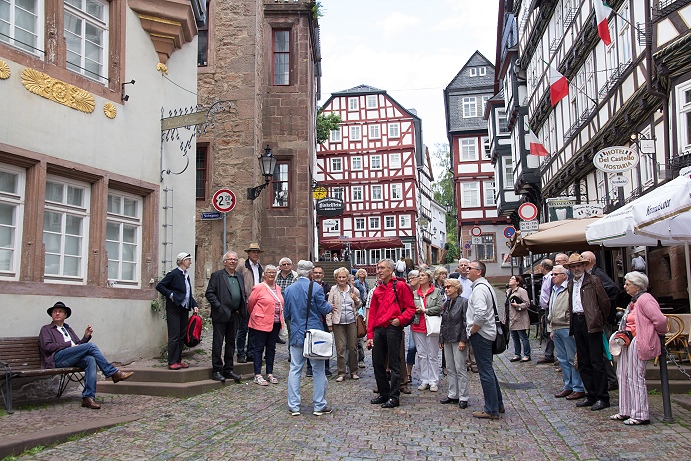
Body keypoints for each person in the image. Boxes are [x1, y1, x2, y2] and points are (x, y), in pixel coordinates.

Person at [39, 302, 134, 409]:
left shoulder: (67, 328)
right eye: (54, 312)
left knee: (90, 359)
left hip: (71, 357)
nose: (57, 313)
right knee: (91, 346)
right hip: (57, 359)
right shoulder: (46, 329)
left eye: (60, 312)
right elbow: (47, 347)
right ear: (51, 314)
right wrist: (68, 344)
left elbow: (78, 346)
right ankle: (112, 372)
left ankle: (88, 398)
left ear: (65, 315)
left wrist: (86, 337)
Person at [609, 272, 667, 425]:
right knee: (623, 374)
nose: (625, 286)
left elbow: (660, 320)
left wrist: (658, 334)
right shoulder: (633, 301)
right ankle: (625, 410)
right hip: (628, 341)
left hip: (638, 340)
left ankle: (640, 414)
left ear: (637, 285)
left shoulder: (646, 300)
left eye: (628, 284)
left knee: (635, 376)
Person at [283, 260, 333, 416]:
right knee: (318, 370)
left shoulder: (289, 289)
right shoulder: (316, 288)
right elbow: (324, 308)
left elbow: (287, 314)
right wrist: (331, 306)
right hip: (314, 334)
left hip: (297, 333)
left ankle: (294, 406)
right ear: (310, 272)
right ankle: (319, 405)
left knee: (295, 369)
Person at [565, 253, 611, 411]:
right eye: (573, 266)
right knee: (583, 361)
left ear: (584, 266)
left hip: (591, 322)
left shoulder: (594, 280)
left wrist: (599, 319)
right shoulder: (571, 283)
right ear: (570, 269)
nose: (576, 268)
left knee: (596, 361)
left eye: (579, 265)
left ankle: (602, 397)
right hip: (577, 322)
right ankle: (590, 394)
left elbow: (605, 303)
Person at [367, 259, 416, 408]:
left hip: (393, 328)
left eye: (382, 268)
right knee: (377, 362)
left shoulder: (400, 286)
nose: (379, 271)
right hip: (379, 329)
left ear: (390, 270)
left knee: (394, 363)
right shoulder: (377, 290)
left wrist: (400, 320)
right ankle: (384, 392)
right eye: (378, 268)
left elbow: (411, 308)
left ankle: (394, 396)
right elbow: (373, 314)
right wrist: (370, 336)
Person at [466, 260, 504, 419]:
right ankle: (498, 404)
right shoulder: (485, 286)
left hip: (481, 334)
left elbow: (480, 313)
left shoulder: (480, 289)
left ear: (479, 271)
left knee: (485, 372)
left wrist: (473, 330)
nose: (467, 270)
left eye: (470, 268)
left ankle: (491, 409)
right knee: (488, 370)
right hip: (488, 332)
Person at [581, 250, 621, 390]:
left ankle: (611, 379)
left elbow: (613, 289)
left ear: (589, 262)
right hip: (593, 319)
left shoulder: (597, 274)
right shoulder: (588, 275)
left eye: (583, 260)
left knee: (604, 350)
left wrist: (602, 312)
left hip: (599, 320)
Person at [204, 251, 246, 383]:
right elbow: (209, 293)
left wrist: (241, 308)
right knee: (218, 343)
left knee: (231, 342)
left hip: (235, 314)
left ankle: (228, 369)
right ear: (224, 262)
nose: (233, 261)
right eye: (230, 259)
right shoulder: (217, 275)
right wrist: (219, 307)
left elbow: (241, 293)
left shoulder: (239, 276)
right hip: (221, 314)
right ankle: (217, 370)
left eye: (235, 259)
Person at [547, 265, 585, 401]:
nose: (553, 277)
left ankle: (578, 387)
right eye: (552, 275)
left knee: (571, 359)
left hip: (567, 327)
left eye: (556, 274)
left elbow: (573, 307)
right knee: (562, 359)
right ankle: (568, 385)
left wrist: (572, 327)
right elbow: (551, 308)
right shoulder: (554, 289)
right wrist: (550, 327)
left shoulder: (569, 288)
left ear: (564, 275)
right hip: (556, 326)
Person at [156, 252, 199, 370]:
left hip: (184, 307)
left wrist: (194, 304)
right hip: (174, 308)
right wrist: (171, 295)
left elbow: (188, 293)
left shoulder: (186, 275)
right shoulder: (174, 274)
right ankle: (172, 361)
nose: (190, 262)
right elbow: (160, 286)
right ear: (182, 261)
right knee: (174, 335)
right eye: (188, 260)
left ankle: (178, 360)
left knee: (181, 335)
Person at [247, 264, 285, 385]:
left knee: (271, 348)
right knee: (258, 348)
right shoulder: (258, 287)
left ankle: (269, 372)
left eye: (274, 272)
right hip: (261, 322)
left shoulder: (278, 288)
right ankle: (257, 374)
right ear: (264, 274)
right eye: (269, 272)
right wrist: (258, 315)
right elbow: (251, 304)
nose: (272, 274)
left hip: (275, 323)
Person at [326, 267, 362, 382]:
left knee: (353, 348)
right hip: (338, 322)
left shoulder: (353, 290)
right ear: (336, 278)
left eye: (344, 277)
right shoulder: (333, 290)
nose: (342, 279)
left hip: (351, 321)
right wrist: (329, 323)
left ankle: (353, 371)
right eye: (339, 277)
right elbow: (329, 306)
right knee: (340, 348)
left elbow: (360, 304)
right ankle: (341, 372)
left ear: (347, 278)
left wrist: (355, 299)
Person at [439, 278, 470, 408]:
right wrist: (441, 338)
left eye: (449, 287)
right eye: (445, 287)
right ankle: (453, 394)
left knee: (460, 368)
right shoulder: (446, 303)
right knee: (450, 368)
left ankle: (463, 396)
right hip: (447, 338)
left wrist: (463, 340)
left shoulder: (464, 302)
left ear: (456, 288)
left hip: (458, 339)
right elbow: (443, 322)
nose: (446, 289)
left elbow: (465, 322)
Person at [412, 269, 444, 392]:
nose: (420, 277)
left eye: (423, 275)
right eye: (419, 275)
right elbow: (410, 306)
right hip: (418, 325)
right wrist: (416, 309)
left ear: (429, 278)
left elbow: (440, 307)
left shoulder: (436, 292)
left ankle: (434, 380)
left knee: (433, 354)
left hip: (432, 326)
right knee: (421, 354)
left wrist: (425, 310)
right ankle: (424, 379)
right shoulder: (415, 293)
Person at [236, 243, 264, 363]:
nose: (255, 254)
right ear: (248, 253)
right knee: (243, 329)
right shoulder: (243, 266)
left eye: (257, 252)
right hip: (246, 301)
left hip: (257, 302)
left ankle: (251, 352)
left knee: (254, 329)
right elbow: (238, 282)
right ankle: (240, 353)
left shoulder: (260, 267)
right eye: (253, 252)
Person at [306, 266, 333, 377]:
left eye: (319, 273)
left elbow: (330, 300)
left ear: (323, 275)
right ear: (312, 274)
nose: (317, 275)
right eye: (315, 273)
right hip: (312, 318)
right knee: (310, 342)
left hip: (324, 319)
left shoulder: (327, 286)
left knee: (325, 342)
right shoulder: (309, 286)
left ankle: (325, 367)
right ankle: (310, 367)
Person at [507, 275, 531, 362]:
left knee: (523, 336)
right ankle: (517, 354)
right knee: (514, 337)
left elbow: (527, 303)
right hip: (511, 318)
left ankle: (527, 354)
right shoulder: (508, 291)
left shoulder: (521, 291)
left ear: (517, 282)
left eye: (512, 279)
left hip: (520, 317)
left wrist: (518, 306)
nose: (510, 280)